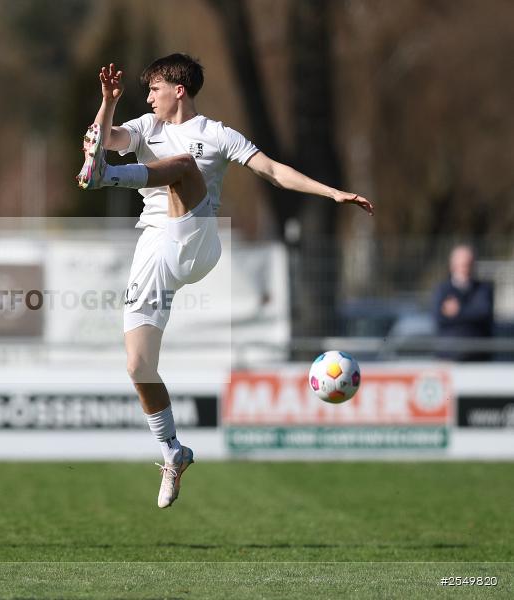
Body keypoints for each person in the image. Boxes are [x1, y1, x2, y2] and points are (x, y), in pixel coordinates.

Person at [76, 54, 373, 508]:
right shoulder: (144, 126)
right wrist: (108, 102)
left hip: (196, 238)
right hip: (153, 248)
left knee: (182, 166)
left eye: (154, 88)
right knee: (138, 365)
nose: (148, 97)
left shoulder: (217, 134)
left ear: (178, 89)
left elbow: (273, 171)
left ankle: (108, 178)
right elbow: (101, 139)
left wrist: (331, 192)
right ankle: (173, 451)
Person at [432, 243, 494, 361]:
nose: (465, 268)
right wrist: (471, 311)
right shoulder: (442, 289)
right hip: (448, 357)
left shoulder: (483, 288)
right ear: (452, 265)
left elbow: (484, 313)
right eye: (462, 265)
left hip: (479, 357)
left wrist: (458, 311)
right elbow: (439, 317)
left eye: (468, 264)